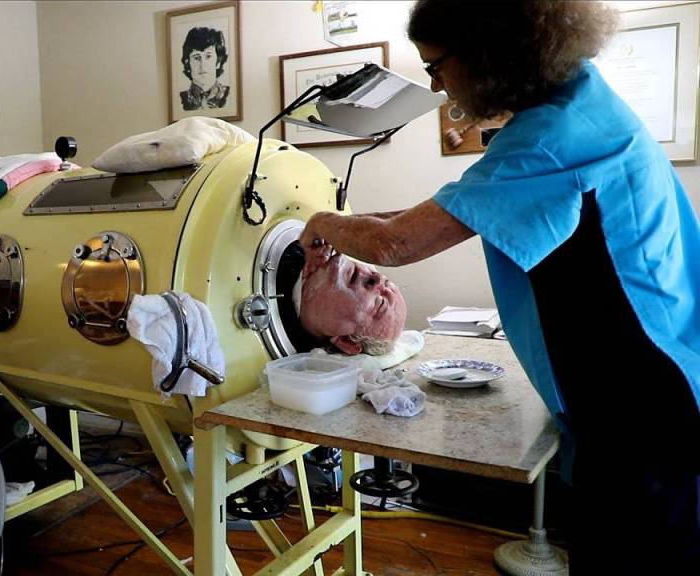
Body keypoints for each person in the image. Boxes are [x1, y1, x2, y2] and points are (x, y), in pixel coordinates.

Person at [300, 1, 700, 570]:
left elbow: (396, 244)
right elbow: (437, 215)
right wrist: (348, 226)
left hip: (644, 404)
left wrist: (322, 223)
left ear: (485, 54)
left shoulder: (548, 140)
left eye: (434, 66)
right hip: (661, 373)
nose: (435, 84)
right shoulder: (580, 104)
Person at [179, 26, 231, 111]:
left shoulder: (230, 95)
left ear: (218, 61)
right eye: (196, 58)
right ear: (187, 63)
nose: (202, 64)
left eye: (208, 56)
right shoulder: (180, 100)